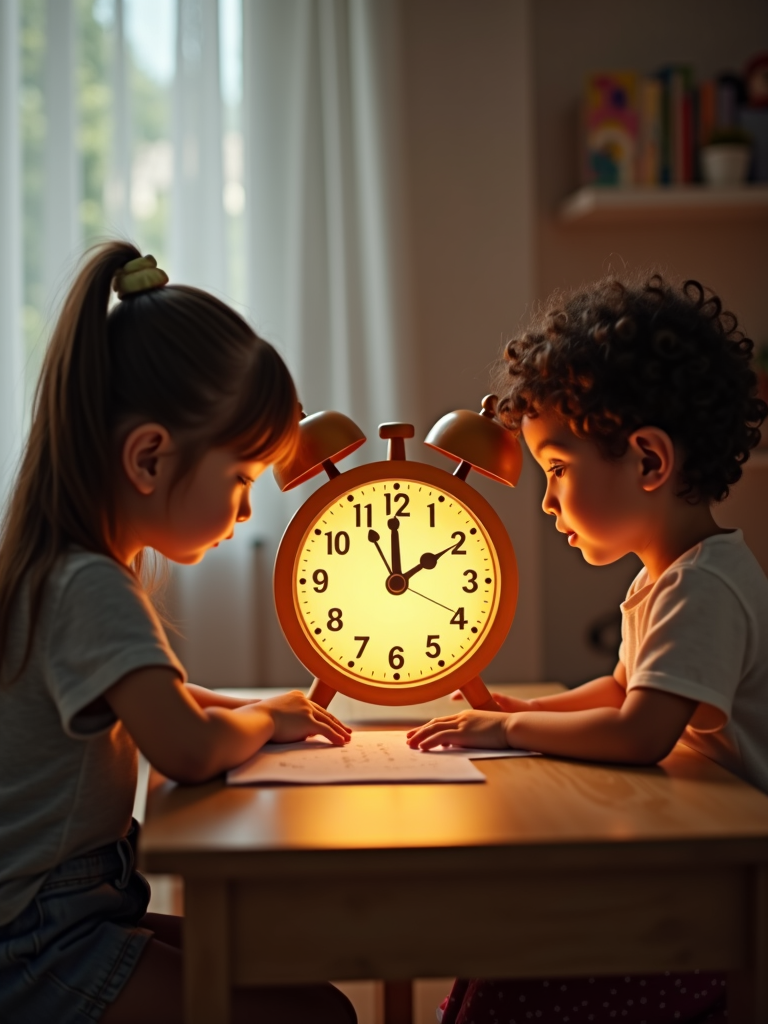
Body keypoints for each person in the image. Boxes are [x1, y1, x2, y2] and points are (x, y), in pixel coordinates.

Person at [0, 242, 356, 1024]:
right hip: (35, 946)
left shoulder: (61, 565)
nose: (246, 510)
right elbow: (186, 749)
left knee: (314, 995)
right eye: (240, 480)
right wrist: (261, 720)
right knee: (316, 1016)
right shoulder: (89, 583)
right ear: (151, 457)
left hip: (65, 915)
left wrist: (247, 707)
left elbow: (153, 698)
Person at [407, 274, 768, 1024]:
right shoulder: (674, 575)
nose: (545, 500)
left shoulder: (701, 590)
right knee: (497, 960)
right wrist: (522, 708)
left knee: (510, 988)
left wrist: (511, 729)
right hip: (699, 854)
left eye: (559, 471)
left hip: (734, 901)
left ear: (647, 461)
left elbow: (640, 731)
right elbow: (618, 690)